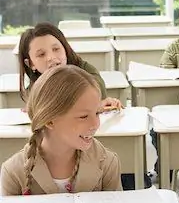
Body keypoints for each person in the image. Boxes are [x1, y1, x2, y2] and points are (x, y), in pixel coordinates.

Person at [1, 65, 122, 195]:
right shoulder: (13, 172)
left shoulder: (108, 164)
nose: (95, 124)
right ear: (49, 120)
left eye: (98, 113)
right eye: (83, 116)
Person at [18, 23, 122, 111]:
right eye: (41, 55)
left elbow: (91, 103)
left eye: (56, 49)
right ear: (30, 64)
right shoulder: (34, 88)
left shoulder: (88, 73)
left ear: (65, 49)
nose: (51, 57)